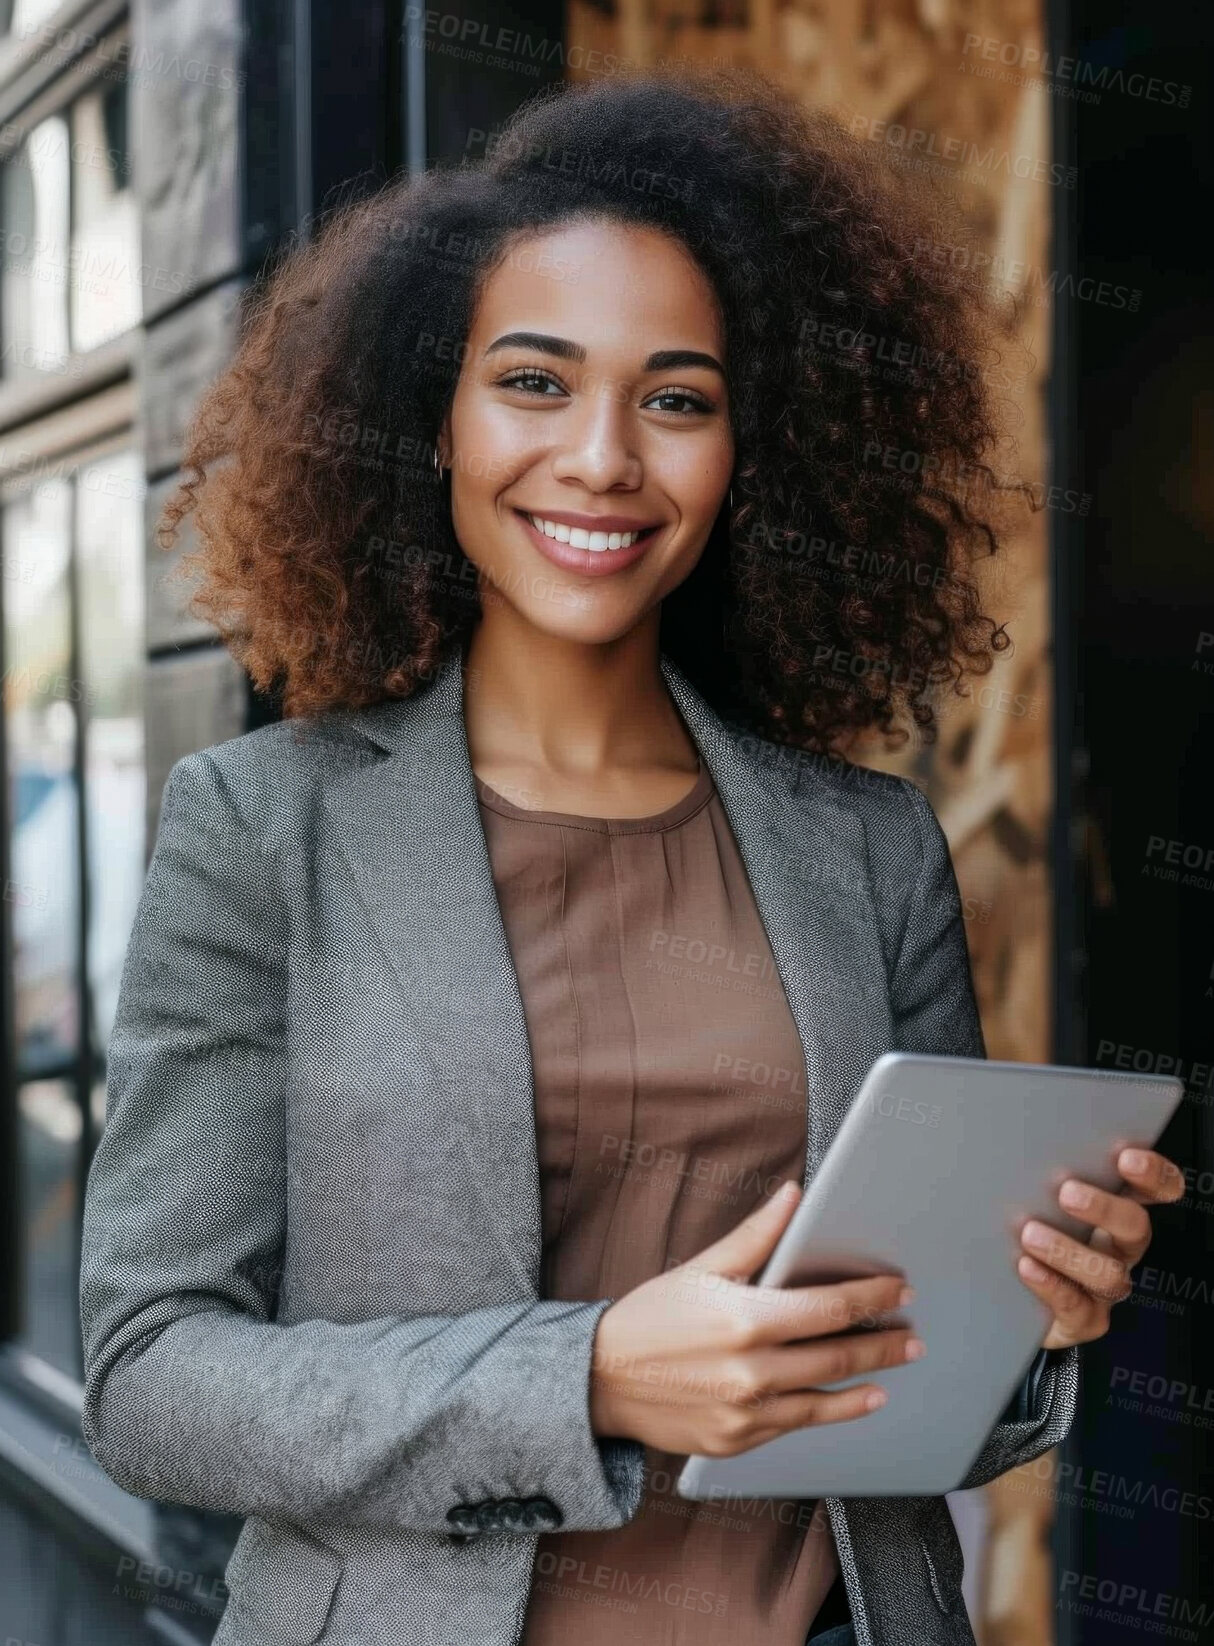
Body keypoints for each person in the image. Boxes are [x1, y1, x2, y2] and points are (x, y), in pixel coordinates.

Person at [79, 64, 1183, 1646]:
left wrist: (1031, 1319)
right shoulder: (265, 828)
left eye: (675, 398)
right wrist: (589, 1372)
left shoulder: (864, 847)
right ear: (430, 419)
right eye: (533, 381)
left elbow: (950, 1395)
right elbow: (150, 1379)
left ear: (750, 455)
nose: (603, 457)